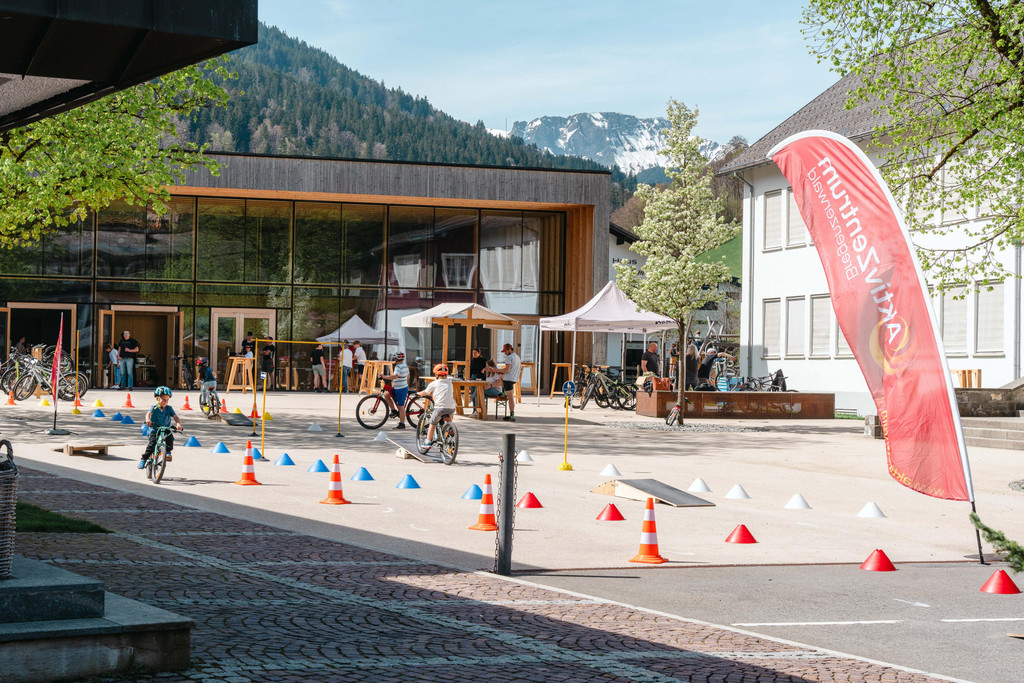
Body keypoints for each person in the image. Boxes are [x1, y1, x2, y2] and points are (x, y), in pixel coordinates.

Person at [413, 363, 456, 452]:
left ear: (436, 375)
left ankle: (428, 442)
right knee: (448, 416)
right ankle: (451, 429)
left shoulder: (434, 383)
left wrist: (418, 394)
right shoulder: (449, 382)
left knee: (432, 423)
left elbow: (426, 392)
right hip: (451, 407)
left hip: (440, 407)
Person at [138, 386, 182, 469]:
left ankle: (168, 452)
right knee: (152, 444)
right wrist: (148, 420)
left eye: (167, 400)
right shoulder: (154, 407)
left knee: (170, 439)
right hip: (155, 429)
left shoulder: (169, 408)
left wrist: (178, 424)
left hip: (165, 429)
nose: (165, 402)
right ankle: (144, 459)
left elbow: (175, 417)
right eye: (164, 399)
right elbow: (148, 414)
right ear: (157, 399)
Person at [381, 352, 410, 429]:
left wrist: (385, 376)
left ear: (396, 359)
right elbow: (408, 376)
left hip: (401, 389)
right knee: (386, 395)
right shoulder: (405, 366)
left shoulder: (398, 367)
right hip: (399, 387)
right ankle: (393, 411)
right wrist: (400, 379)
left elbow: (395, 376)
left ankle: (402, 424)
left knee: (400, 407)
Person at [498, 342, 521, 422]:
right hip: (514, 378)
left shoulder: (509, 357)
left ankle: (512, 415)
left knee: (510, 397)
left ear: (509, 349)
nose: (505, 353)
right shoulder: (517, 357)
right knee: (500, 376)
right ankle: (503, 392)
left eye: (506, 351)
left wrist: (497, 370)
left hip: (508, 379)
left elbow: (507, 370)